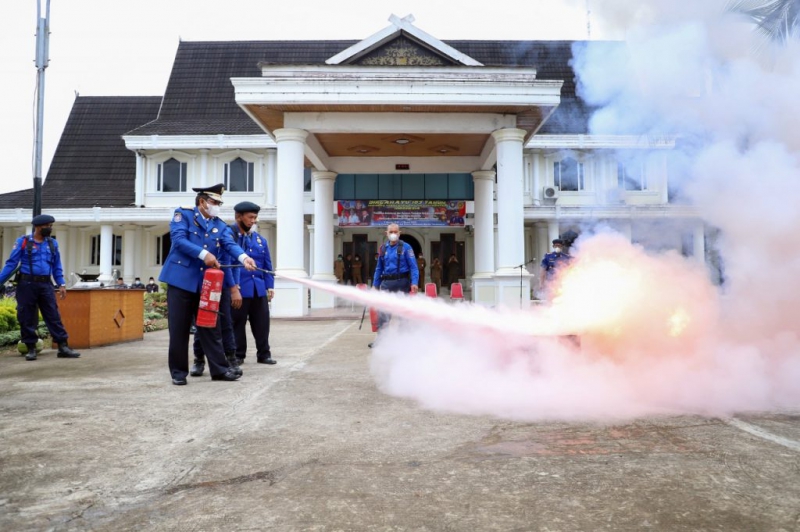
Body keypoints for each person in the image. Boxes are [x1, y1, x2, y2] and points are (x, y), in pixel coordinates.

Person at [158, 183, 257, 385]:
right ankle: (178, 373)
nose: (217, 206)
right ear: (202, 202)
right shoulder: (183, 215)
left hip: (206, 285)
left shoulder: (219, 225)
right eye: (214, 202)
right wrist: (205, 254)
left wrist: (244, 258)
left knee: (210, 327)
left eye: (219, 203)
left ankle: (219, 370)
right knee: (179, 329)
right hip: (181, 281)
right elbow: (178, 240)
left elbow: (230, 244)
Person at [0, 214, 81, 361]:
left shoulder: (52, 243)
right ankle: (31, 348)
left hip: (46, 284)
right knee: (27, 316)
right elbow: (11, 263)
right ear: (37, 227)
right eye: (47, 226)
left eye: (51, 226)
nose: (49, 229)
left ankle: (63, 346)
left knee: (53, 315)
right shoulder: (23, 242)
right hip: (27, 284)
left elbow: (57, 265)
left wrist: (61, 283)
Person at [190, 228, 242, 378]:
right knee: (204, 322)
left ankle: (231, 359)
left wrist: (234, 286)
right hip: (207, 285)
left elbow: (233, 265)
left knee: (226, 324)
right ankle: (198, 360)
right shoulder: (218, 236)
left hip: (224, 286)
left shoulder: (231, 236)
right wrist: (234, 288)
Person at [230, 201, 276, 365]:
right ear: (238, 217)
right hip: (240, 288)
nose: (253, 221)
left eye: (255, 217)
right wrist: (233, 286)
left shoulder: (260, 240)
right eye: (250, 217)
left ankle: (264, 353)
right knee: (238, 323)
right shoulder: (231, 237)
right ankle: (238, 354)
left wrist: (270, 285)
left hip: (259, 289)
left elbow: (267, 264)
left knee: (262, 323)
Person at [370, 223, 419, 346]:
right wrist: (375, 285)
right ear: (386, 233)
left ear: (399, 233)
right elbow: (379, 268)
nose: (393, 234)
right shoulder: (383, 248)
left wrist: (414, 282)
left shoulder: (406, 247)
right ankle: (381, 339)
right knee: (383, 312)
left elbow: (414, 267)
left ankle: (404, 339)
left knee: (403, 312)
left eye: (395, 232)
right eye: (391, 232)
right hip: (386, 284)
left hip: (402, 283)